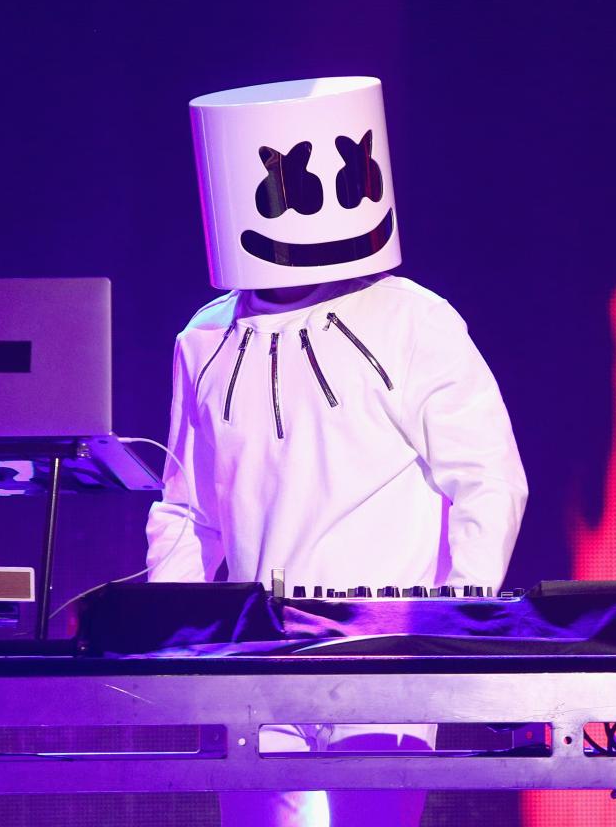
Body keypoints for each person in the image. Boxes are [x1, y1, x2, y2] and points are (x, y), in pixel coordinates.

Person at [145, 76, 528, 827]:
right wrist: (173, 638)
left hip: (385, 655)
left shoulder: (413, 319)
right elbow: (187, 509)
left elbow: (489, 481)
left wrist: (454, 627)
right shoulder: (204, 337)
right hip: (250, 660)